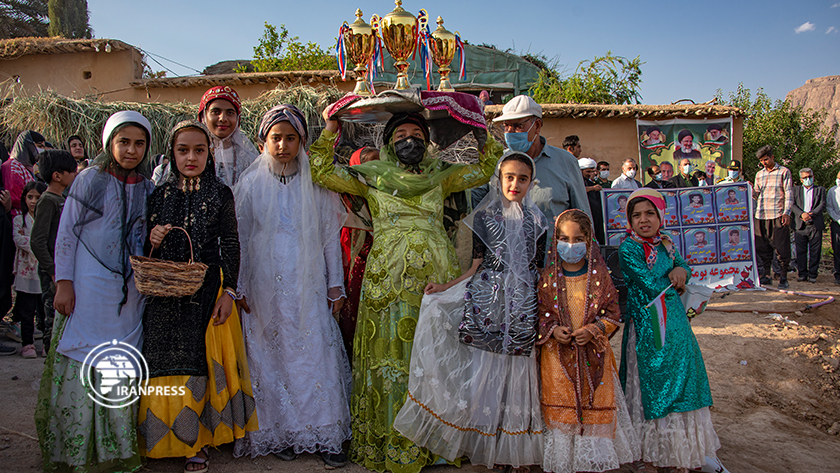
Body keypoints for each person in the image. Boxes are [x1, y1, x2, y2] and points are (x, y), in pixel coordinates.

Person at [311, 104, 503, 473]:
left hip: (436, 278)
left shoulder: (442, 177)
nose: (409, 140)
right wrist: (330, 127)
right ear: (387, 144)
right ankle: (393, 439)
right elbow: (319, 170)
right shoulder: (369, 177)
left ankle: (437, 442)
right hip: (388, 280)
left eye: (416, 135)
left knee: (435, 355)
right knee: (392, 358)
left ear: (427, 143)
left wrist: (480, 131)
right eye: (400, 136)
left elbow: (486, 169)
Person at [393, 151, 547, 473]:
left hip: (523, 306)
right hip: (487, 303)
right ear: (499, 179)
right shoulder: (485, 217)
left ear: (531, 183)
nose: (515, 183)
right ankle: (483, 448)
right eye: (509, 176)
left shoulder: (538, 221)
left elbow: (540, 270)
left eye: (523, 178)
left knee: (518, 372)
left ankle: (513, 451)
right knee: (485, 372)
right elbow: (476, 266)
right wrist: (446, 287)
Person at [34, 111, 154, 473]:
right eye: (124, 142)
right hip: (87, 286)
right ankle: (78, 451)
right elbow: (67, 234)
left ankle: (116, 448)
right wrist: (64, 283)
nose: (131, 150)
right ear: (108, 143)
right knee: (85, 356)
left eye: (139, 143)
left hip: (129, 291)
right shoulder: (88, 180)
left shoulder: (147, 186)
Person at [233, 105, 351, 467]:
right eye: (275, 138)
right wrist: (240, 288)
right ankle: (280, 431)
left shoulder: (316, 185)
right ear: (263, 141)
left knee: (313, 351)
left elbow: (330, 239)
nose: (282, 145)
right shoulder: (249, 185)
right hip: (262, 280)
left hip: (307, 281)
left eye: (290, 138)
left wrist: (335, 286)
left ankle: (325, 432)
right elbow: (239, 239)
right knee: (270, 354)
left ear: (302, 142)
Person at [139, 121, 257, 470]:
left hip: (205, 293)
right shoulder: (158, 195)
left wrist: (230, 292)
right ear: (172, 153)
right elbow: (144, 251)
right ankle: (158, 438)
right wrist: (153, 239)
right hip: (162, 295)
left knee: (196, 364)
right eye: (183, 150)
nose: (191, 157)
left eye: (199, 150)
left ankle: (196, 443)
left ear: (209, 153)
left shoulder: (221, 193)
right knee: (160, 363)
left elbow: (231, 244)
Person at [618, 188, 720, 472]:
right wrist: (673, 276)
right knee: (652, 384)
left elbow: (681, 264)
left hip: (676, 326)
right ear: (629, 220)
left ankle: (681, 451)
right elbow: (650, 284)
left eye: (650, 213)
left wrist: (683, 271)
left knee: (682, 380)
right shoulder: (629, 249)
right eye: (636, 215)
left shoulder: (666, 243)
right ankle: (650, 451)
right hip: (649, 329)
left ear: (661, 216)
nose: (643, 220)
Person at [537, 209, 640, 473]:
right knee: (563, 412)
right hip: (556, 360)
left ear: (590, 240)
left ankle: (590, 463)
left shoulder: (600, 277)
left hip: (595, 359)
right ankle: (565, 463)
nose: (570, 246)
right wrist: (553, 330)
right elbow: (539, 315)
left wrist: (594, 330)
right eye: (563, 238)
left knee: (593, 408)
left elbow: (614, 315)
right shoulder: (548, 277)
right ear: (555, 240)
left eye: (578, 239)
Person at [479, 95, 591, 238]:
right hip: (509, 256)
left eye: (518, 126)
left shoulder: (565, 162)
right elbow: (478, 201)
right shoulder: (499, 162)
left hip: (552, 256)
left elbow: (582, 214)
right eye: (506, 126)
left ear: (537, 125)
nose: (510, 132)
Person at [29, 150, 77, 357]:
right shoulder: (48, 200)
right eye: (72, 171)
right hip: (53, 272)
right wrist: (53, 271)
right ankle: (50, 358)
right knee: (53, 317)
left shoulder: (63, 199)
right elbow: (37, 241)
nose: (75, 175)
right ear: (57, 175)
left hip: (61, 268)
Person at [338, 146, 378, 357]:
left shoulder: (391, 192)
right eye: (369, 164)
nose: (374, 170)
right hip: (357, 265)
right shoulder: (346, 198)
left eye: (379, 164)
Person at [10, 180, 47, 358]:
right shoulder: (19, 220)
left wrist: (36, 243)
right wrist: (38, 244)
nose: (33, 201)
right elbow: (18, 239)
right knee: (26, 310)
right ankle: (27, 344)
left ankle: (47, 343)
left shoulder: (46, 220)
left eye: (37, 197)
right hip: (26, 271)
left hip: (42, 270)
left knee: (45, 310)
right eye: (30, 197)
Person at [197, 86, 259, 188]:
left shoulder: (249, 161)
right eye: (215, 112)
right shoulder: (192, 156)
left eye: (230, 113)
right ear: (204, 116)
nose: (223, 118)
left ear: (238, 118)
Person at [753, 145, 793, 289]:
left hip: (777, 213)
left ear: (772, 157)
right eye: (762, 161)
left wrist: (787, 212)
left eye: (766, 159)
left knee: (781, 246)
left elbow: (789, 193)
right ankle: (767, 275)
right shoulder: (759, 174)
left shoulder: (784, 172)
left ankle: (783, 276)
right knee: (762, 246)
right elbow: (756, 194)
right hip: (761, 214)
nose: (764, 162)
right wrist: (748, 189)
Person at [791, 168, 825, 283]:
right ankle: (802, 274)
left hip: (815, 224)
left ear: (813, 177)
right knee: (800, 251)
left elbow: (822, 204)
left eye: (809, 177)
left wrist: (812, 214)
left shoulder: (820, 190)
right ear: (801, 179)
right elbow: (792, 204)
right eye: (805, 178)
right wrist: (802, 214)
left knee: (815, 251)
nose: (808, 179)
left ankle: (813, 274)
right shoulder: (795, 190)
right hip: (800, 224)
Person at [1, 130, 44, 216]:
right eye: (39, 146)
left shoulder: (25, 167)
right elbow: (14, 196)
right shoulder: (13, 166)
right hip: (18, 218)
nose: (41, 150)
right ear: (28, 145)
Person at [579, 157, 605, 244]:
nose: (590, 174)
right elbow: (578, 190)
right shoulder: (578, 182)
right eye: (588, 172)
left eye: (591, 171)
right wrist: (592, 188)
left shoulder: (589, 182)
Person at [826, 170, 840, 285]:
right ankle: (838, 275)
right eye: (838, 178)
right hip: (837, 223)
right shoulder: (832, 191)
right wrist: (838, 219)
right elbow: (829, 208)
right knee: (837, 249)